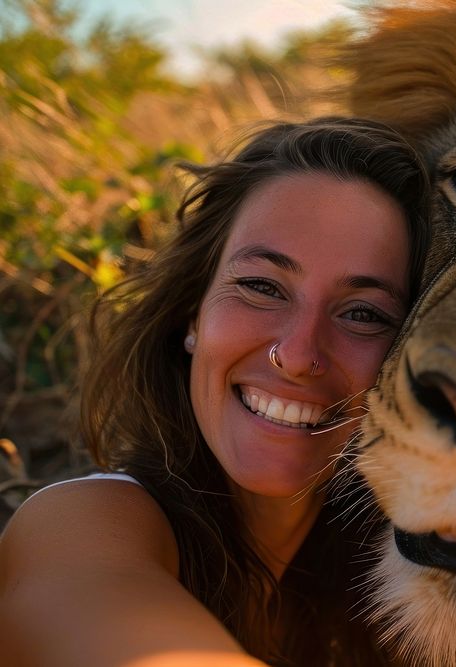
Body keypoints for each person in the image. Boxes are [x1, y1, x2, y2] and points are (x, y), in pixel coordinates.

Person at [0, 116, 431, 666]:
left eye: (364, 313)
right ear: (191, 314)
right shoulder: (80, 524)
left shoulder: (396, 588)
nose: (298, 356)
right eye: (261, 286)